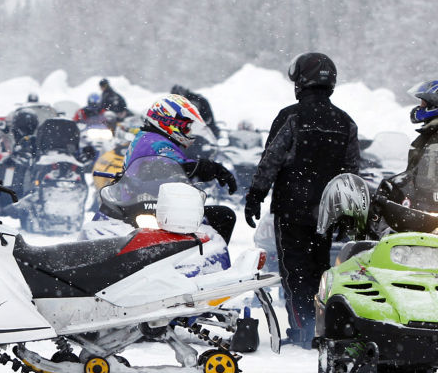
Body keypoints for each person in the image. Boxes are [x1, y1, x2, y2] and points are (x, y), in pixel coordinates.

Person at [244, 52, 361, 347]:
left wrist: (255, 196)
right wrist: (347, 215)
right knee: (320, 271)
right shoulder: (345, 122)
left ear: (302, 82)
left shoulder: (291, 117)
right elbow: (351, 172)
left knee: (295, 274)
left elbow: (270, 160)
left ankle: (302, 332)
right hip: (325, 214)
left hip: (291, 209)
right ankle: (320, 330)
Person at [123, 94, 237, 242]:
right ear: (167, 121)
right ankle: (210, 262)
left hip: (147, 203)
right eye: (186, 126)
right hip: (151, 207)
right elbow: (175, 166)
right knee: (224, 216)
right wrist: (211, 168)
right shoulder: (157, 142)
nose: (188, 131)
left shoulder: (147, 136)